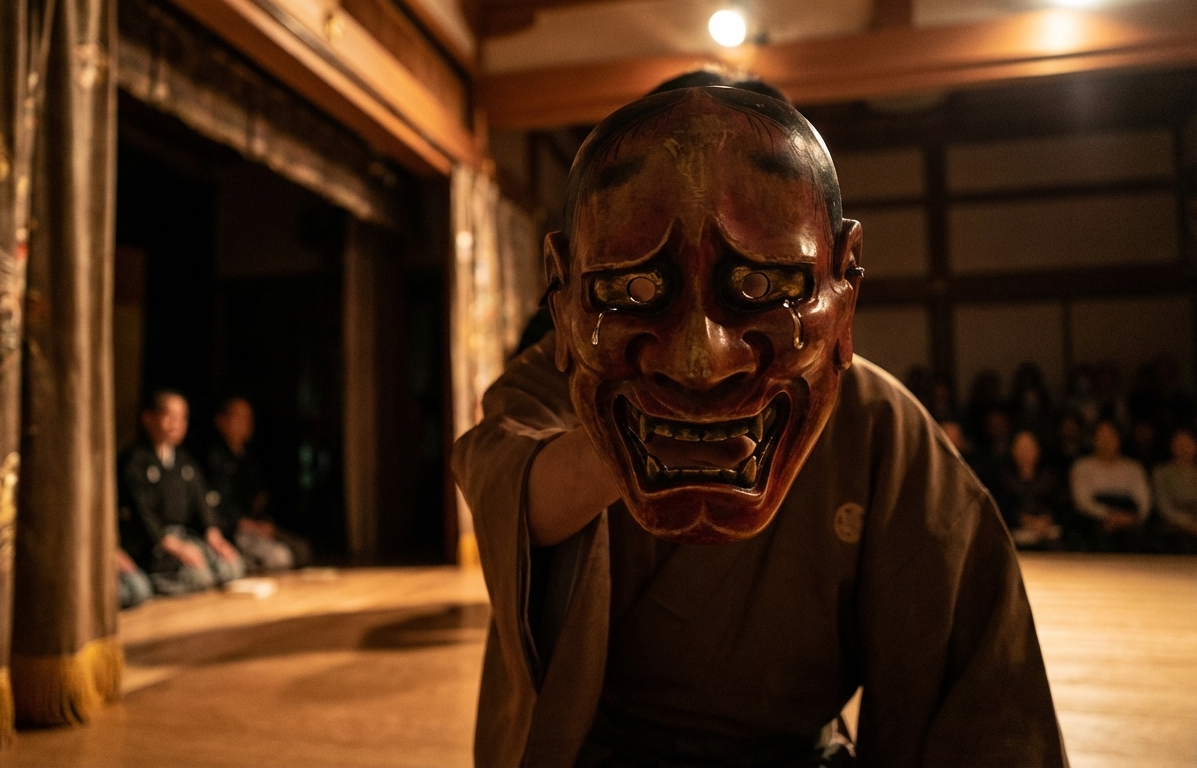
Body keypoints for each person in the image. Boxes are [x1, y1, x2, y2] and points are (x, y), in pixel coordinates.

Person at [453, 84, 1063, 767]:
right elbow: (501, 481)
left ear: (845, 284)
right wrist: (630, 437)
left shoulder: (878, 424)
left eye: (762, 285)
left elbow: (980, 704)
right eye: (633, 289)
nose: (700, 361)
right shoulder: (563, 380)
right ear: (564, 293)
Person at [118, 390, 245, 595]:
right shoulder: (135, 461)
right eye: (170, 416)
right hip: (156, 542)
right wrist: (173, 545)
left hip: (185, 535)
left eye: (182, 418)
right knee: (199, 577)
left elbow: (201, 502)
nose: (176, 424)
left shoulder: (184, 461)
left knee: (233, 566)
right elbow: (142, 513)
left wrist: (214, 535)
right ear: (148, 418)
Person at [204, 397, 313, 571]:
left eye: (248, 417)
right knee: (279, 557)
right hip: (232, 530)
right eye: (238, 417)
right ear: (221, 421)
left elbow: (260, 499)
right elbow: (217, 506)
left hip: (255, 525)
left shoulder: (249, 459)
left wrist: (264, 521)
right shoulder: (213, 460)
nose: (246, 423)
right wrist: (244, 523)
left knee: (301, 549)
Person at [1069, 419, 1151, 552]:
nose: (1105, 440)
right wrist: (1108, 516)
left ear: (1119, 439)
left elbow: (1144, 501)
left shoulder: (1133, 468)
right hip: (1095, 520)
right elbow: (1082, 502)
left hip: (1129, 520)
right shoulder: (1081, 467)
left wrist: (1132, 518)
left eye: (1110, 435)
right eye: (1101, 436)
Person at [996, 431, 1065, 549]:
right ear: (1013, 451)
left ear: (1037, 450)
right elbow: (1003, 508)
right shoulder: (1004, 478)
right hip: (1015, 531)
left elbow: (1060, 506)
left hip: (1048, 530)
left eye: (1028, 448)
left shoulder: (1050, 477)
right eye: (1021, 449)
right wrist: (1026, 521)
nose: (1025, 453)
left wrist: (1045, 520)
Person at [1152, 426, 1197, 553]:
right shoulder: (1161, 473)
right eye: (1179, 443)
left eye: (1187, 443)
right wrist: (1189, 524)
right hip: (1174, 528)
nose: (1183, 448)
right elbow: (1165, 507)